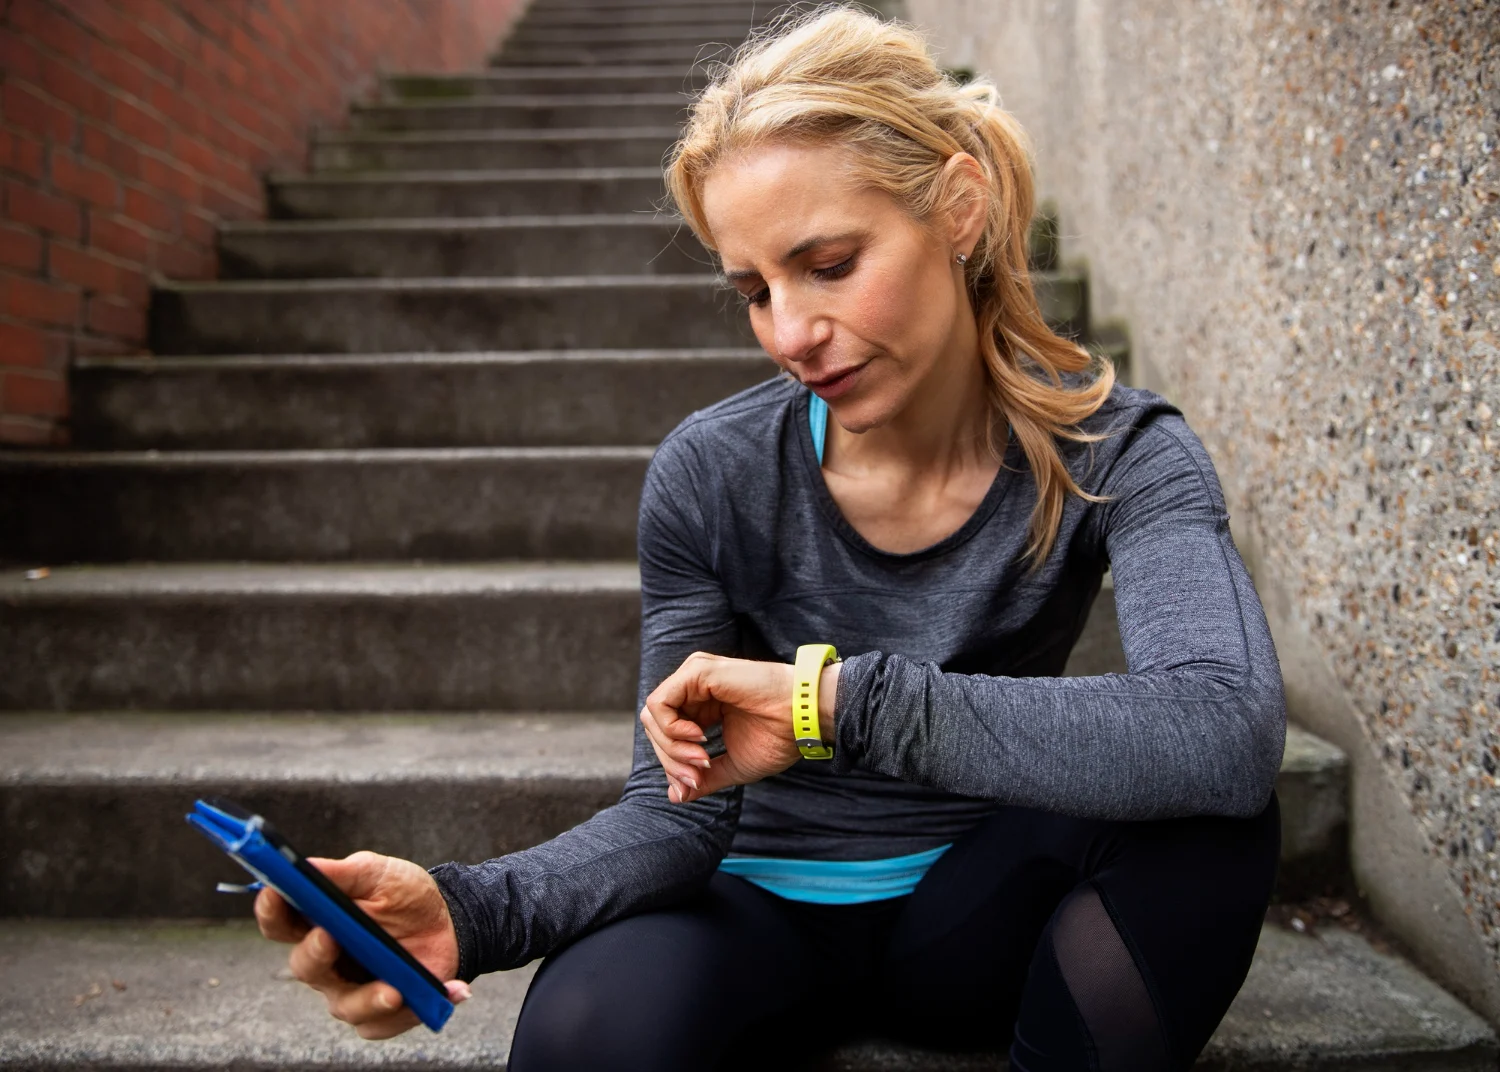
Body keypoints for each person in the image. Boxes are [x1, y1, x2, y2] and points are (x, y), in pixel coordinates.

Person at [253, 7, 1286, 1069]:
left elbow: (1223, 726)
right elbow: (672, 814)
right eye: (755, 290)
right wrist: (468, 910)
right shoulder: (713, 472)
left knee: (1211, 813)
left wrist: (834, 704)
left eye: (829, 263)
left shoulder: (1121, 448)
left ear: (961, 209)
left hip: (979, 910)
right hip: (747, 905)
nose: (789, 334)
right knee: (591, 1035)